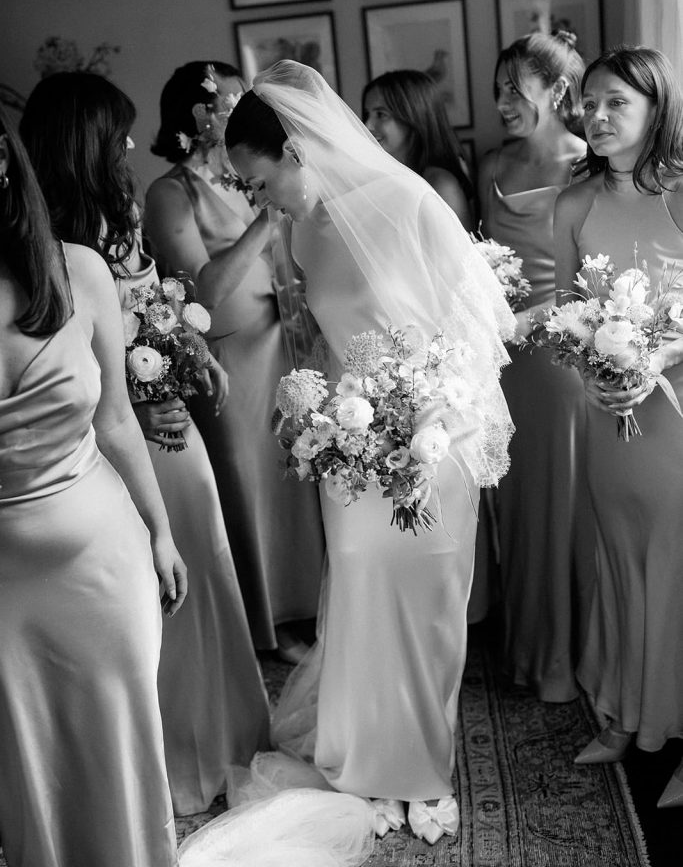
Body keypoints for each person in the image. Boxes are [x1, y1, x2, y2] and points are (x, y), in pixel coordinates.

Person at [177, 59, 514, 863]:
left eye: (262, 184)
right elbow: (324, 341)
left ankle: (420, 767)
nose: (260, 201)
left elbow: (480, 324)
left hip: (433, 436)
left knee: (427, 604)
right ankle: (367, 758)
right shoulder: (302, 228)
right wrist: (314, 415)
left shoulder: (408, 201)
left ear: (297, 151)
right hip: (352, 446)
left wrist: (433, 420)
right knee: (360, 593)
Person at [20, 70, 272, 817]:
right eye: (117, 133)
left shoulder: (124, 210)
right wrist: (137, 396)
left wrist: (192, 355)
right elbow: (67, 365)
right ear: (83, 143)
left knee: (206, 562)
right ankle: (173, 754)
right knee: (157, 592)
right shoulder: (52, 246)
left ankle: (230, 735)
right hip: (119, 435)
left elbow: (159, 299)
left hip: (170, 417)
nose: (130, 145)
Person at [0, 103, 187, 866]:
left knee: (121, 746)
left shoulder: (77, 268)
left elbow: (115, 421)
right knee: (31, 765)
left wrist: (161, 531)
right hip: (5, 589)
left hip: (102, 565)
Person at [145, 61, 324, 660]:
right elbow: (200, 293)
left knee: (293, 479)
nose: (240, 108)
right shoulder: (171, 192)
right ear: (200, 116)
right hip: (227, 360)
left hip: (283, 345)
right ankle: (267, 625)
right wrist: (264, 223)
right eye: (229, 101)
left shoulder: (242, 177)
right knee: (249, 489)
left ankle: (308, 608)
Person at [554, 46, 683, 808]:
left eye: (615, 104)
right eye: (589, 102)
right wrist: (590, 375)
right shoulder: (573, 204)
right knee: (619, 561)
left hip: (675, 415)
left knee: (677, 568)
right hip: (608, 419)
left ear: (654, 109)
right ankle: (627, 714)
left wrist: (660, 354)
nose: (596, 117)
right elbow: (566, 312)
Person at [477, 31, 596, 703]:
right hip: (503, 362)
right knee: (518, 507)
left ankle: (566, 659)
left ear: (556, 91)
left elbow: (592, 272)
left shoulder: (586, 165)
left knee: (562, 505)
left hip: (559, 361)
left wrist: (536, 318)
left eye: (513, 89)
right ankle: (529, 651)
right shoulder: (492, 163)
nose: (501, 102)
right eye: (498, 89)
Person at [362, 69, 474, 227]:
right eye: (367, 114)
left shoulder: (441, 185)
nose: (367, 125)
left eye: (381, 114)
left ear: (413, 116)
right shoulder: (377, 179)